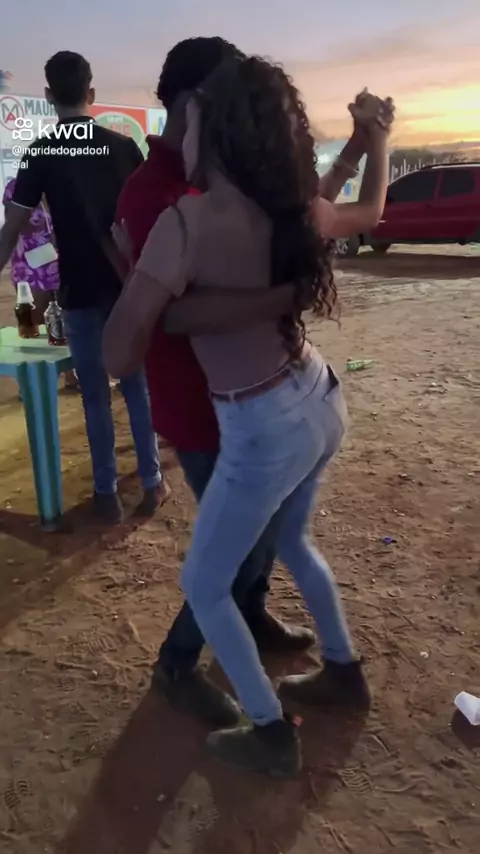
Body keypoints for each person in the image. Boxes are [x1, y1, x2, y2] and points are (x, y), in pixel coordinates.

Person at [105, 55, 393, 778]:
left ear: (213, 129)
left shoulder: (187, 222)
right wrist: (377, 139)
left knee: (205, 585)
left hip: (261, 423)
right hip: (317, 397)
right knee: (291, 540)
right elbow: (368, 212)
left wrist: (140, 279)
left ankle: (268, 730)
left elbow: (117, 351)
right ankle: (342, 670)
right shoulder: (291, 210)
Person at [0, 51, 165, 524]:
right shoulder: (124, 147)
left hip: (77, 290)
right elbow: (147, 220)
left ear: (49, 95)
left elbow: (11, 230)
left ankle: (106, 494)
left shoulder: (40, 152)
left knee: (94, 396)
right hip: (126, 287)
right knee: (136, 387)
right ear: (91, 93)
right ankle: (152, 482)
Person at [3, 176, 78, 391]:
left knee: (63, 319)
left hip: (57, 261)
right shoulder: (16, 188)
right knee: (33, 324)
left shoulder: (59, 186)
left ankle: (70, 374)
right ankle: (30, 383)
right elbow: (12, 226)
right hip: (30, 265)